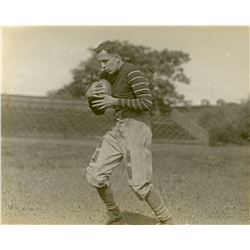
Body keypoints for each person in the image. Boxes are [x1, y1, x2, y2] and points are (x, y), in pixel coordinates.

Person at [85, 40, 174, 225]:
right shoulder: (105, 76)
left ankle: (167, 222)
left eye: (105, 61)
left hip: (137, 127)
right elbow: (99, 110)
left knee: (139, 184)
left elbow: (147, 103)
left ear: (117, 58)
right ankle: (114, 215)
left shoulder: (132, 72)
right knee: (95, 174)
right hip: (118, 128)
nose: (102, 66)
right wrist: (89, 96)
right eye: (99, 62)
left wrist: (115, 102)